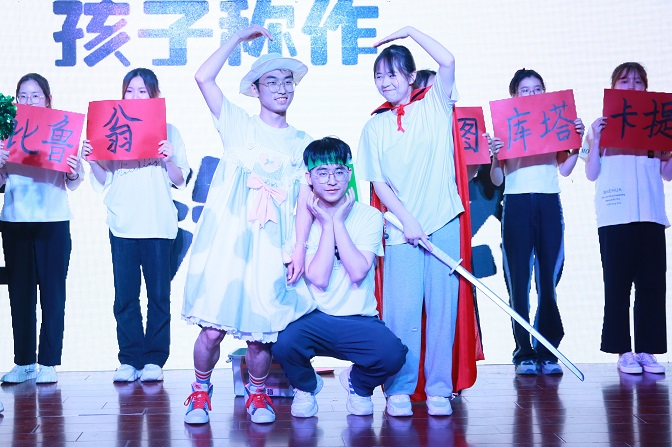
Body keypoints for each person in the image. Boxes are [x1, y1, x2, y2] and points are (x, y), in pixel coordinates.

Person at [182, 25, 314, 425]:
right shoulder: (238, 125)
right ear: (255, 90)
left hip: (273, 249)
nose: (282, 89)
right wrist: (238, 39)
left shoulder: (302, 142)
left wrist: (300, 249)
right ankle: (200, 391)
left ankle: (257, 394)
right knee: (211, 331)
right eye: (272, 82)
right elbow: (203, 77)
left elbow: (304, 203)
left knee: (261, 336)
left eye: (287, 82)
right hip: (229, 246)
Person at [356, 26, 465, 417]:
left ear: (411, 76)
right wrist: (407, 221)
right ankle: (399, 389)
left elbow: (447, 60)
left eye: (392, 74)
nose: (385, 82)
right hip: (402, 230)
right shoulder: (374, 125)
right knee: (401, 313)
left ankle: (439, 389)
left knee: (442, 310)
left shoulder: (434, 105)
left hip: (444, 222)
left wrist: (408, 32)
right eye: (379, 76)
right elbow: (379, 184)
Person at [271, 137, 408, 418]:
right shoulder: (301, 222)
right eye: (322, 173)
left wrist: (336, 222)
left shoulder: (370, 216)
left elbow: (358, 271)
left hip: (358, 318)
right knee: (282, 343)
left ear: (349, 173)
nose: (331, 180)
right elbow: (319, 278)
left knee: (393, 354)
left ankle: (358, 384)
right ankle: (306, 386)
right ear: (309, 178)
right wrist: (325, 223)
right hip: (313, 317)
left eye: (338, 171)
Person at [82, 68, 190, 383]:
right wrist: (93, 160)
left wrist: (168, 159)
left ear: (154, 95)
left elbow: (180, 179)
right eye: (130, 90)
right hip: (122, 223)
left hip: (157, 223)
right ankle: (129, 358)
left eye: (142, 90)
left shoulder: (169, 130)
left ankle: (154, 359)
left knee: (158, 295)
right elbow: (104, 180)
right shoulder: (112, 127)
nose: (135, 95)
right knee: (125, 296)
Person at [487, 69, 584, 376]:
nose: (531, 93)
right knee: (518, 281)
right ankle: (523, 352)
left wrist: (576, 142)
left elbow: (565, 169)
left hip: (548, 201)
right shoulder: (506, 126)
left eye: (537, 88)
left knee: (547, 281)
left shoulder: (553, 123)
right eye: (525, 89)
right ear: (514, 95)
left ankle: (548, 351)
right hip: (516, 203)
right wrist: (495, 156)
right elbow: (497, 179)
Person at [584, 62, 670, 375]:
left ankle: (647, 351)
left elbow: (667, 174)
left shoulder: (658, 125)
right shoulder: (599, 126)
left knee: (652, 284)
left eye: (638, 81)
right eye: (624, 81)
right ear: (613, 86)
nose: (632, 86)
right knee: (617, 285)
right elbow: (591, 172)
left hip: (650, 214)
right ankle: (622, 351)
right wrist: (596, 141)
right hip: (615, 215)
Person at [0, 73, 84, 384]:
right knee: (20, 294)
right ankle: (24, 363)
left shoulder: (62, 130)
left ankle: (49, 363)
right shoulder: (6, 131)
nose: (29, 100)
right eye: (23, 96)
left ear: (48, 100)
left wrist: (74, 171)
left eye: (36, 95)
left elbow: (73, 182)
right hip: (15, 219)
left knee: (53, 292)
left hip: (53, 220)